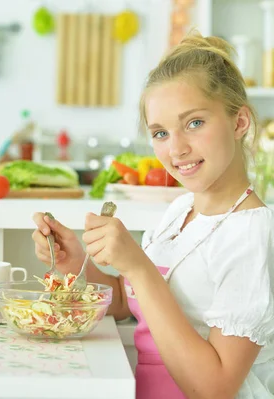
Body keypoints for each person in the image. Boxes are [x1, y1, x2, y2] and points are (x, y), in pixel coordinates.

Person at [32, 31, 274, 398]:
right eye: (160, 133)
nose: (176, 149)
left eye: (194, 123)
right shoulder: (179, 212)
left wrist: (138, 266)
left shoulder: (250, 234)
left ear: (239, 123)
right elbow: (128, 302)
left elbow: (215, 388)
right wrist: (77, 263)